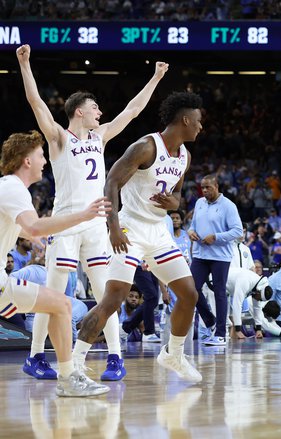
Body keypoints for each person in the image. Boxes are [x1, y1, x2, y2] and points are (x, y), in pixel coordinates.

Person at [16, 44, 169, 382]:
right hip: (67, 223)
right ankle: (36, 355)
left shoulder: (100, 136)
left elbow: (131, 111)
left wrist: (156, 78)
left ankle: (115, 358)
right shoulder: (58, 137)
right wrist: (25, 65)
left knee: (108, 293)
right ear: (79, 111)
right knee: (54, 294)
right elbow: (36, 103)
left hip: (97, 224)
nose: (100, 111)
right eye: (95, 107)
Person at [72, 92, 204, 383]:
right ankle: (74, 365)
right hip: (130, 228)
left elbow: (177, 195)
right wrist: (114, 226)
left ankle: (173, 354)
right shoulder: (146, 146)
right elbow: (112, 182)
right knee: (113, 299)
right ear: (185, 119)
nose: (200, 126)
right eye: (197, 121)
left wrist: (174, 203)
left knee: (189, 294)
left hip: (159, 231)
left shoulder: (185, 155)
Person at [0, 131, 110, 396]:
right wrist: (82, 216)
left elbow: (25, 229)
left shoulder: (8, 187)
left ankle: (67, 375)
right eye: (40, 155)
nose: (44, 162)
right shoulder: (13, 188)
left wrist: (38, 237)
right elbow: (34, 226)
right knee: (61, 304)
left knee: (59, 304)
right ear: (26, 160)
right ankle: (68, 378)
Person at [188, 174, 243, 346]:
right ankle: (210, 320)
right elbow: (193, 225)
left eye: (208, 187)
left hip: (220, 256)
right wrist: (190, 231)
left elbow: (237, 231)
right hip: (200, 254)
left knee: (219, 292)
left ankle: (220, 334)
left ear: (216, 186)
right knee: (191, 289)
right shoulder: (199, 203)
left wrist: (216, 237)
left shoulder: (228, 206)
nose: (204, 191)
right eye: (202, 188)